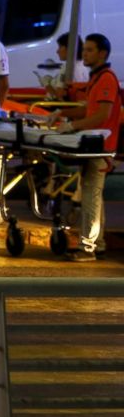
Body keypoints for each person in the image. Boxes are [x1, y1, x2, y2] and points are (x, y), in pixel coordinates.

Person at [49, 34, 121, 262]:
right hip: (93, 146)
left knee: (91, 195)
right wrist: (62, 114)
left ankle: (87, 248)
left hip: (101, 148)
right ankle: (96, 244)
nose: (85, 53)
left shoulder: (106, 79)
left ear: (102, 54)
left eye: (90, 50)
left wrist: (72, 126)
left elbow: (102, 115)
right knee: (93, 196)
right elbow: (88, 110)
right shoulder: (97, 78)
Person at [43, 33, 88, 101]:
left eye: (60, 47)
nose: (57, 51)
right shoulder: (84, 67)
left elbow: (58, 97)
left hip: (56, 107)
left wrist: (46, 84)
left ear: (69, 48)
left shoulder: (67, 68)